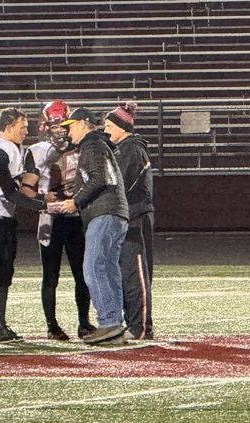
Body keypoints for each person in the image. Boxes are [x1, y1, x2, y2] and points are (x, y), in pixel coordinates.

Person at [55, 108, 128, 345]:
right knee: (107, 269)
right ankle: (114, 324)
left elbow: (100, 179)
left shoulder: (93, 146)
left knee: (93, 268)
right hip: (114, 213)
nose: (68, 132)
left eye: (71, 126)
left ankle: (108, 322)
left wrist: (75, 202)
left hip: (104, 213)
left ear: (85, 125)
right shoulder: (99, 145)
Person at [0, 108, 47, 343]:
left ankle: (0, 322)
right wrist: (43, 205)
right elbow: (10, 193)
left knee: (5, 272)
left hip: (3, 216)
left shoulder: (0, 140)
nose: (27, 131)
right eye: (22, 127)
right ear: (8, 126)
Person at [25, 100, 93, 341]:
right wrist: (44, 196)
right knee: (50, 275)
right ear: (45, 126)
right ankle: (52, 326)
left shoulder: (82, 146)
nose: (58, 130)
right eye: (54, 125)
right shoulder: (36, 151)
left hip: (75, 215)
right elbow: (27, 190)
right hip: (49, 217)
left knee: (82, 273)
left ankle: (84, 323)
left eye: (61, 125)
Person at [104, 102, 155, 341]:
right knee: (127, 274)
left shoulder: (130, 150)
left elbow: (119, 184)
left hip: (134, 218)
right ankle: (134, 323)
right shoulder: (122, 149)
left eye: (109, 125)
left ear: (121, 126)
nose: (105, 130)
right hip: (127, 217)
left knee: (135, 274)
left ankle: (141, 326)